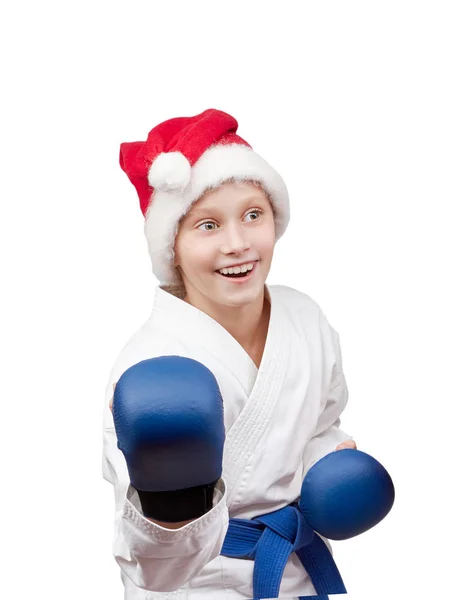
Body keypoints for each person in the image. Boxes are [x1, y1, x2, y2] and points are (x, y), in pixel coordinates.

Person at [102, 108, 357, 599]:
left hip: (295, 571)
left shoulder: (305, 319)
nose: (237, 244)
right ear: (171, 245)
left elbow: (320, 423)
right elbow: (152, 571)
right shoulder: (149, 366)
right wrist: (169, 503)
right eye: (208, 225)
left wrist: (330, 466)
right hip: (197, 588)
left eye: (253, 215)